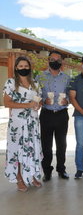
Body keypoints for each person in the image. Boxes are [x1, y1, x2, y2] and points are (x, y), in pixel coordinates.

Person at [3, 56, 42, 191]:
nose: (24, 68)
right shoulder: (11, 83)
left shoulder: (35, 84)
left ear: (29, 68)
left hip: (32, 123)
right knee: (17, 150)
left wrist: (37, 105)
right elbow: (7, 103)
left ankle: (31, 175)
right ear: (16, 68)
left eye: (26, 66)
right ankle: (19, 177)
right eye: (21, 66)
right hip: (17, 124)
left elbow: (39, 101)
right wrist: (27, 105)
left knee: (32, 148)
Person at [37, 50, 71, 181]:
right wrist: (42, 100)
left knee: (61, 144)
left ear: (61, 62)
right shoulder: (40, 77)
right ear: (48, 61)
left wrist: (67, 100)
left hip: (62, 114)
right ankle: (47, 171)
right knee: (46, 145)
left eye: (58, 60)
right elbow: (36, 94)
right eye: (52, 59)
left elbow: (71, 94)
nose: (55, 62)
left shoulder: (67, 78)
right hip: (46, 114)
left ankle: (61, 169)